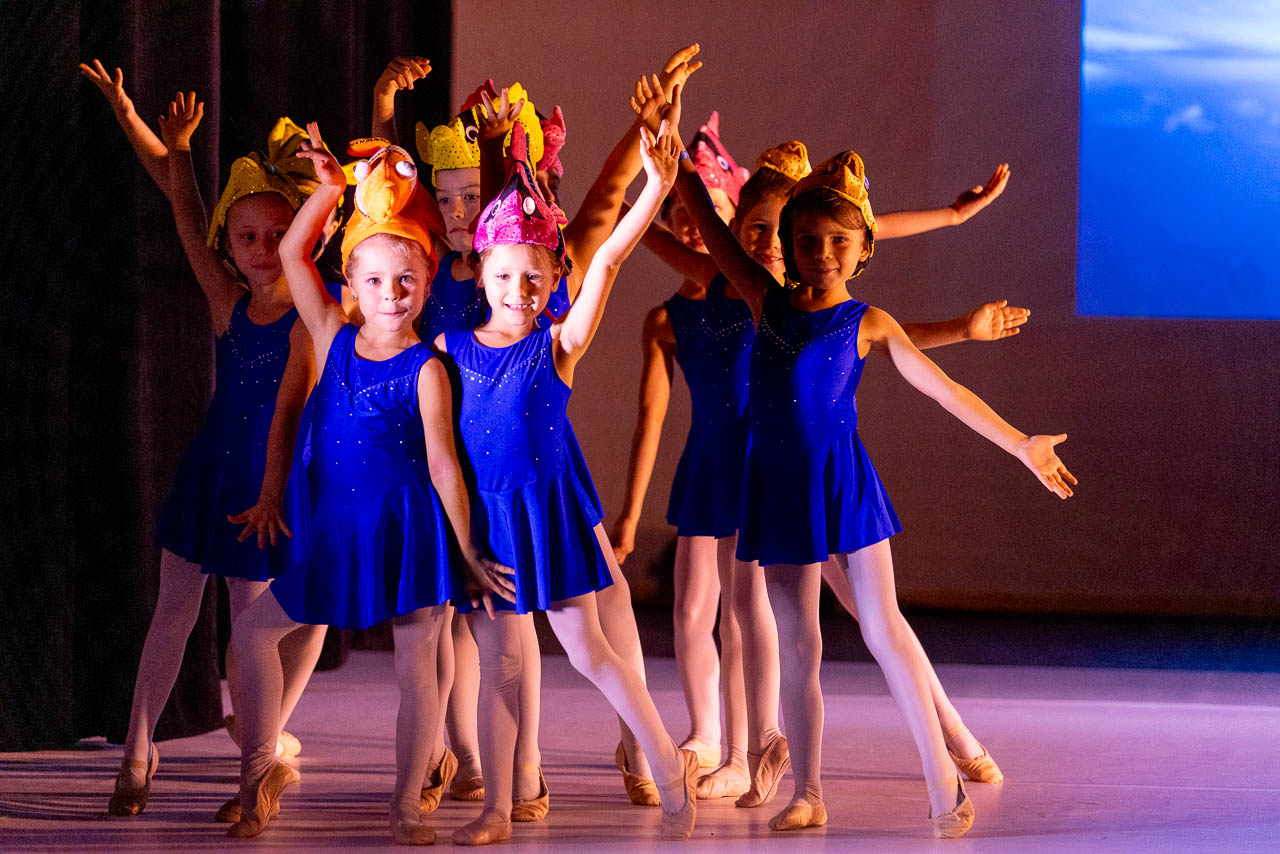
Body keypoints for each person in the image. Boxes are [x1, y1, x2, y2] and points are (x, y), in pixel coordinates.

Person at [636, 81, 1075, 837]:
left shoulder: (868, 322)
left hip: (841, 485)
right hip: (776, 488)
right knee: (798, 643)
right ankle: (807, 790)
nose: (821, 254)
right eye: (808, 241)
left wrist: (1020, 443)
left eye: (839, 243)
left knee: (882, 627)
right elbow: (706, 221)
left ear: (864, 250)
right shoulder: (761, 299)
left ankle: (943, 783)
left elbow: (944, 390)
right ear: (788, 244)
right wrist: (668, 152)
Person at [224, 124, 513, 845]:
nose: (391, 294)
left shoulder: (427, 368)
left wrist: (468, 549)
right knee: (254, 633)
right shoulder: (329, 334)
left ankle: (407, 803)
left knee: (420, 670)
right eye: (375, 281)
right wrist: (329, 189)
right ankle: (259, 771)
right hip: (337, 531)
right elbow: (294, 251)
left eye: (406, 280)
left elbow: (444, 465)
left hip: (411, 532)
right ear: (350, 285)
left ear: (425, 285)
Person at [435, 119, 698, 845]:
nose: (518, 290)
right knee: (500, 668)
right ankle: (496, 807)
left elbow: (607, 257)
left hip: (546, 520)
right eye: (503, 276)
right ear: (480, 274)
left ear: (554, 280)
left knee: (589, 653)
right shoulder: (447, 350)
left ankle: (666, 762)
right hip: (487, 528)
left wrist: (657, 188)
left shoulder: (557, 345)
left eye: (534, 277)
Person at [78, 67, 326, 817]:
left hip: (269, 484)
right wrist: (158, 135)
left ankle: (258, 755)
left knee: (259, 628)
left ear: (304, 238)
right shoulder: (228, 299)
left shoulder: (317, 314)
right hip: (215, 473)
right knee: (175, 609)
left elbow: (293, 415)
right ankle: (139, 748)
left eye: (278, 236)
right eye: (248, 237)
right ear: (232, 243)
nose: (262, 249)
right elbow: (186, 211)